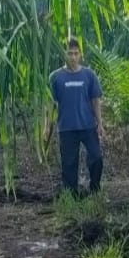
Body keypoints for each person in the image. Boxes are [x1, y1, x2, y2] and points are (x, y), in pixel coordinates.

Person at [49, 38, 105, 197]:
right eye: (69, 53)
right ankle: (72, 197)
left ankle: (94, 190)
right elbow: (50, 104)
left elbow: (96, 101)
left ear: (80, 55)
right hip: (67, 128)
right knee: (69, 165)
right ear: (64, 55)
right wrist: (47, 126)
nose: (72, 57)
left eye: (75, 53)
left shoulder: (89, 75)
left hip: (88, 126)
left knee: (96, 158)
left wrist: (100, 124)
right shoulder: (55, 77)